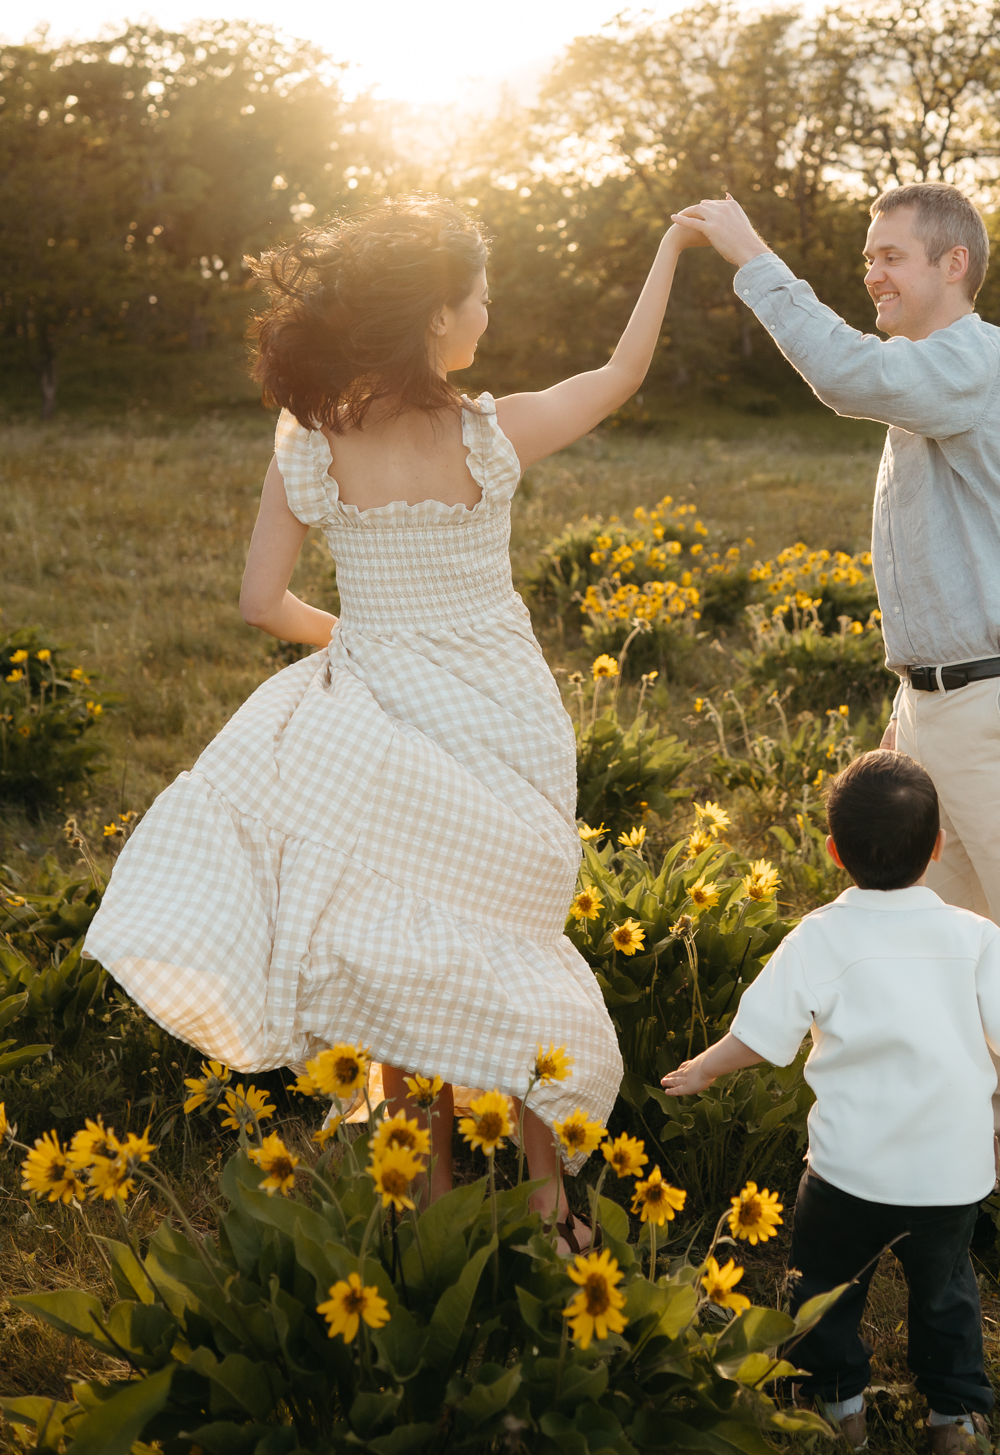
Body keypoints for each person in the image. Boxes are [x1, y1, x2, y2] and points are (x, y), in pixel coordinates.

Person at [85, 194, 706, 1237]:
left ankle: (427, 1201)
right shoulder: (490, 432)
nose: (487, 316)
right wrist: (672, 244)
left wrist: (366, 641)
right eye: (479, 299)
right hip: (507, 711)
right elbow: (621, 374)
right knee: (508, 929)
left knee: (406, 944)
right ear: (435, 318)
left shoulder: (312, 442)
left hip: (380, 710)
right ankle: (553, 1202)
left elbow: (258, 605)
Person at [673, 184, 1000, 1324]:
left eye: (892, 256)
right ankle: (994, 1178)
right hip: (940, 711)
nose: (874, 273)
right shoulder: (934, 376)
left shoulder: (975, 359)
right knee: (964, 959)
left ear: (954, 263)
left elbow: (841, 373)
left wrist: (752, 251)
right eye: (867, 255)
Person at [663, 750, 1000, 1454]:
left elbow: (759, 1034)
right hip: (949, 1175)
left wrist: (703, 1070)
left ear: (831, 852)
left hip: (847, 1172)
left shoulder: (820, 935)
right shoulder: (973, 938)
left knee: (823, 1287)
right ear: (936, 849)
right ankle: (955, 1419)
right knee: (944, 1294)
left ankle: (834, 1406)